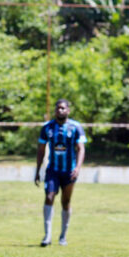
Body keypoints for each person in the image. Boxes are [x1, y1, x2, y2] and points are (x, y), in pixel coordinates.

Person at [34, 99, 86, 247]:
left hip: (69, 172)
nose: (60, 111)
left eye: (63, 108)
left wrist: (78, 168)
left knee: (66, 201)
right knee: (49, 196)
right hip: (53, 171)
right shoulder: (47, 127)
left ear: (68, 110)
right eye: (58, 108)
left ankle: (63, 236)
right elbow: (41, 149)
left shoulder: (75, 127)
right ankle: (47, 236)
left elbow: (81, 148)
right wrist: (38, 170)